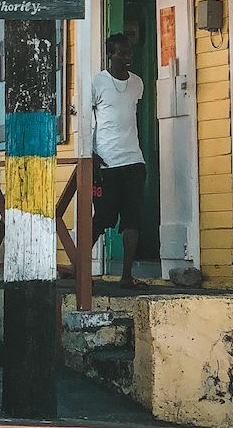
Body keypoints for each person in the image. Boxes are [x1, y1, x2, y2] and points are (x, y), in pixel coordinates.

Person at [91, 32, 148, 289]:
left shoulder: (137, 83)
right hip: (106, 161)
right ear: (110, 54)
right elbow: (84, 116)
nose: (127, 57)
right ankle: (78, 265)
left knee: (133, 217)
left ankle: (126, 275)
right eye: (122, 53)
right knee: (103, 216)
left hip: (133, 159)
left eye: (129, 53)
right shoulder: (98, 82)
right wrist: (90, 154)